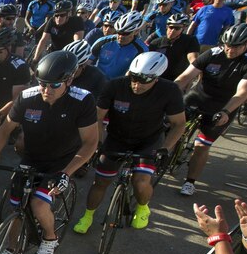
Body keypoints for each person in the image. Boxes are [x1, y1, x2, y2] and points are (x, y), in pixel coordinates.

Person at [0, 51, 100, 254]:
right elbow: (4, 131)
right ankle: (12, 248)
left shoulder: (83, 100)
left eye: (54, 85)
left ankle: (50, 237)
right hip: (33, 157)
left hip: (63, 160)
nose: (46, 90)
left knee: (38, 204)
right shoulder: (27, 97)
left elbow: (91, 142)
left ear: (69, 80)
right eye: (43, 83)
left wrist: (66, 173)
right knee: (17, 206)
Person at [72, 52, 187, 235]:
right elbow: (98, 118)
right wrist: (98, 143)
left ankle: (143, 206)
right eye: (133, 78)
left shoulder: (169, 90)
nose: (136, 84)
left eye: (143, 81)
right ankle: (87, 215)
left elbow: (179, 124)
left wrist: (165, 149)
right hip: (117, 138)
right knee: (100, 181)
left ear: (156, 79)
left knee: (140, 182)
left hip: (149, 141)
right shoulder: (115, 85)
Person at [173, 23, 247, 196]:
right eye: (227, 45)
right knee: (171, 124)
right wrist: (171, 93)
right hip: (199, 96)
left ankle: (190, 181)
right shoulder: (213, 53)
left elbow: (243, 92)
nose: (230, 50)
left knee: (201, 146)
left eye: (236, 47)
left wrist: (226, 112)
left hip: (224, 104)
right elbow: (185, 77)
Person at [90, 11, 148, 79]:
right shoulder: (102, 41)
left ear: (136, 31)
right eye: (118, 32)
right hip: (97, 79)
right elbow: (87, 62)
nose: (120, 36)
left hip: (118, 84)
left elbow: (130, 74)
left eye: (125, 33)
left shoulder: (142, 50)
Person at [145, 12, 200, 80]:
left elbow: (193, 59)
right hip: (157, 77)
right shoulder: (156, 42)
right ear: (167, 27)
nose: (172, 30)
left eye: (177, 28)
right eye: (171, 27)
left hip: (179, 78)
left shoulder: (190, 40)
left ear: (183, 29)